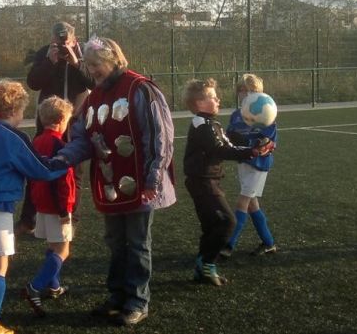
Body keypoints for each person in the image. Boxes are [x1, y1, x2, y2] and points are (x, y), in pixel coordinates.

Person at [55, 36, 175, 326]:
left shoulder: (140, 88)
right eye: (88, 64)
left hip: (140, 185)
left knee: (137, 243)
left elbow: (159, 137)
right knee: (115, 242)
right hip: (110, 185)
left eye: (96, 64)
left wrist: (152, 179)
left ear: (113, 60)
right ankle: (117, 296)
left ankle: (137, 301)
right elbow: (83, 137)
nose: (91, 70)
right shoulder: (94, 96)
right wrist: (63, 158)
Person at [0, 80, 69, 334]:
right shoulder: (15, 137)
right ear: (16, 109)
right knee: (0, 265)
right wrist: (64, 163)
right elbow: (38, 169)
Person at [181, 78, 273, 287]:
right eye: (213, 97)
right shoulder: (201, 124)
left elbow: (229, 142)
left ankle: (202, 266)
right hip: (202, 182)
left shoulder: (211, 123)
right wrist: (252, 151)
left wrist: (255, 146)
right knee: (227, 222)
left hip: (208, 181)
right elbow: (220, 149)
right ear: (200, 103)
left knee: (212, 225)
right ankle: (208, 264)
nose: (218, 100)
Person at [18, 21, 93, 233]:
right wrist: (50, 62)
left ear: (74, 40)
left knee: (74, 173)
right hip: (48, 122)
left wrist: (76, 63)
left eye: (66, 42)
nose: (62, 46)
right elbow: (33, 83)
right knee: (37, 167)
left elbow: (94, 82)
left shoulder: (84, 53)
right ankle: (28, 220)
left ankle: (71, 219)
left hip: (75, 122)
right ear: (52, 39)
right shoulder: (45, 53)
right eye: (58, 42)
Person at [21, 96, 76, 318]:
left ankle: (54, 286)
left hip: (41, 201)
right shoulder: (59, 145)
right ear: (62, 120)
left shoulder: (37, 141)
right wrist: (64, 210)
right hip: (56, 205)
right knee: (63, 249)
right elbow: (62, 181)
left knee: (54, 246)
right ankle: (35, 286)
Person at [221, 74, 278, 258]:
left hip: (258, 165)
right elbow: (229, 137)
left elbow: (268, 144)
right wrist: (229, 139)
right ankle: (269, 243)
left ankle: (228, 245)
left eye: (252, 91)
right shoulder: (236, 115)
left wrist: (247, 141)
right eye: (242, 90)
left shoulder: (267, 113)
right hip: (243, 163)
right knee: (253, 205)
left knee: (242, 202)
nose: (246, 94)